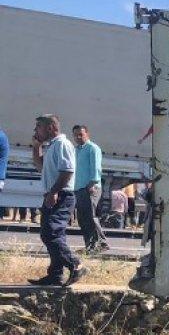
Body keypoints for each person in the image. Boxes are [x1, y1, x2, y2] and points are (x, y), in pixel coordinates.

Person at [29, 115, 86, 286]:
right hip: (53, 194)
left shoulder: (62, 144)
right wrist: (36, 147)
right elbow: (40, 166)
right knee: (54, 234)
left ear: (50, 127)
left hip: (61, 195)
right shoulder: (52, 146)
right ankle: (55, 274)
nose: (35, 130)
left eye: (38, 126)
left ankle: (75, 263)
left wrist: (54, 192)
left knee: (50, 233)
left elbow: (68, 171)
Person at [71, 125, 109, 253]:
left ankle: (99, 244)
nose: (78, 137)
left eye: (80, 134)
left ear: (87, 134)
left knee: (90, 216)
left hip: (90, 187)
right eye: (75, 135)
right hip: (79, 187)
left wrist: (92, 183)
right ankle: (90, 245)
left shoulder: (92, 148)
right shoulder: (76, 150)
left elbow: (96, 168)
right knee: (82, 218)